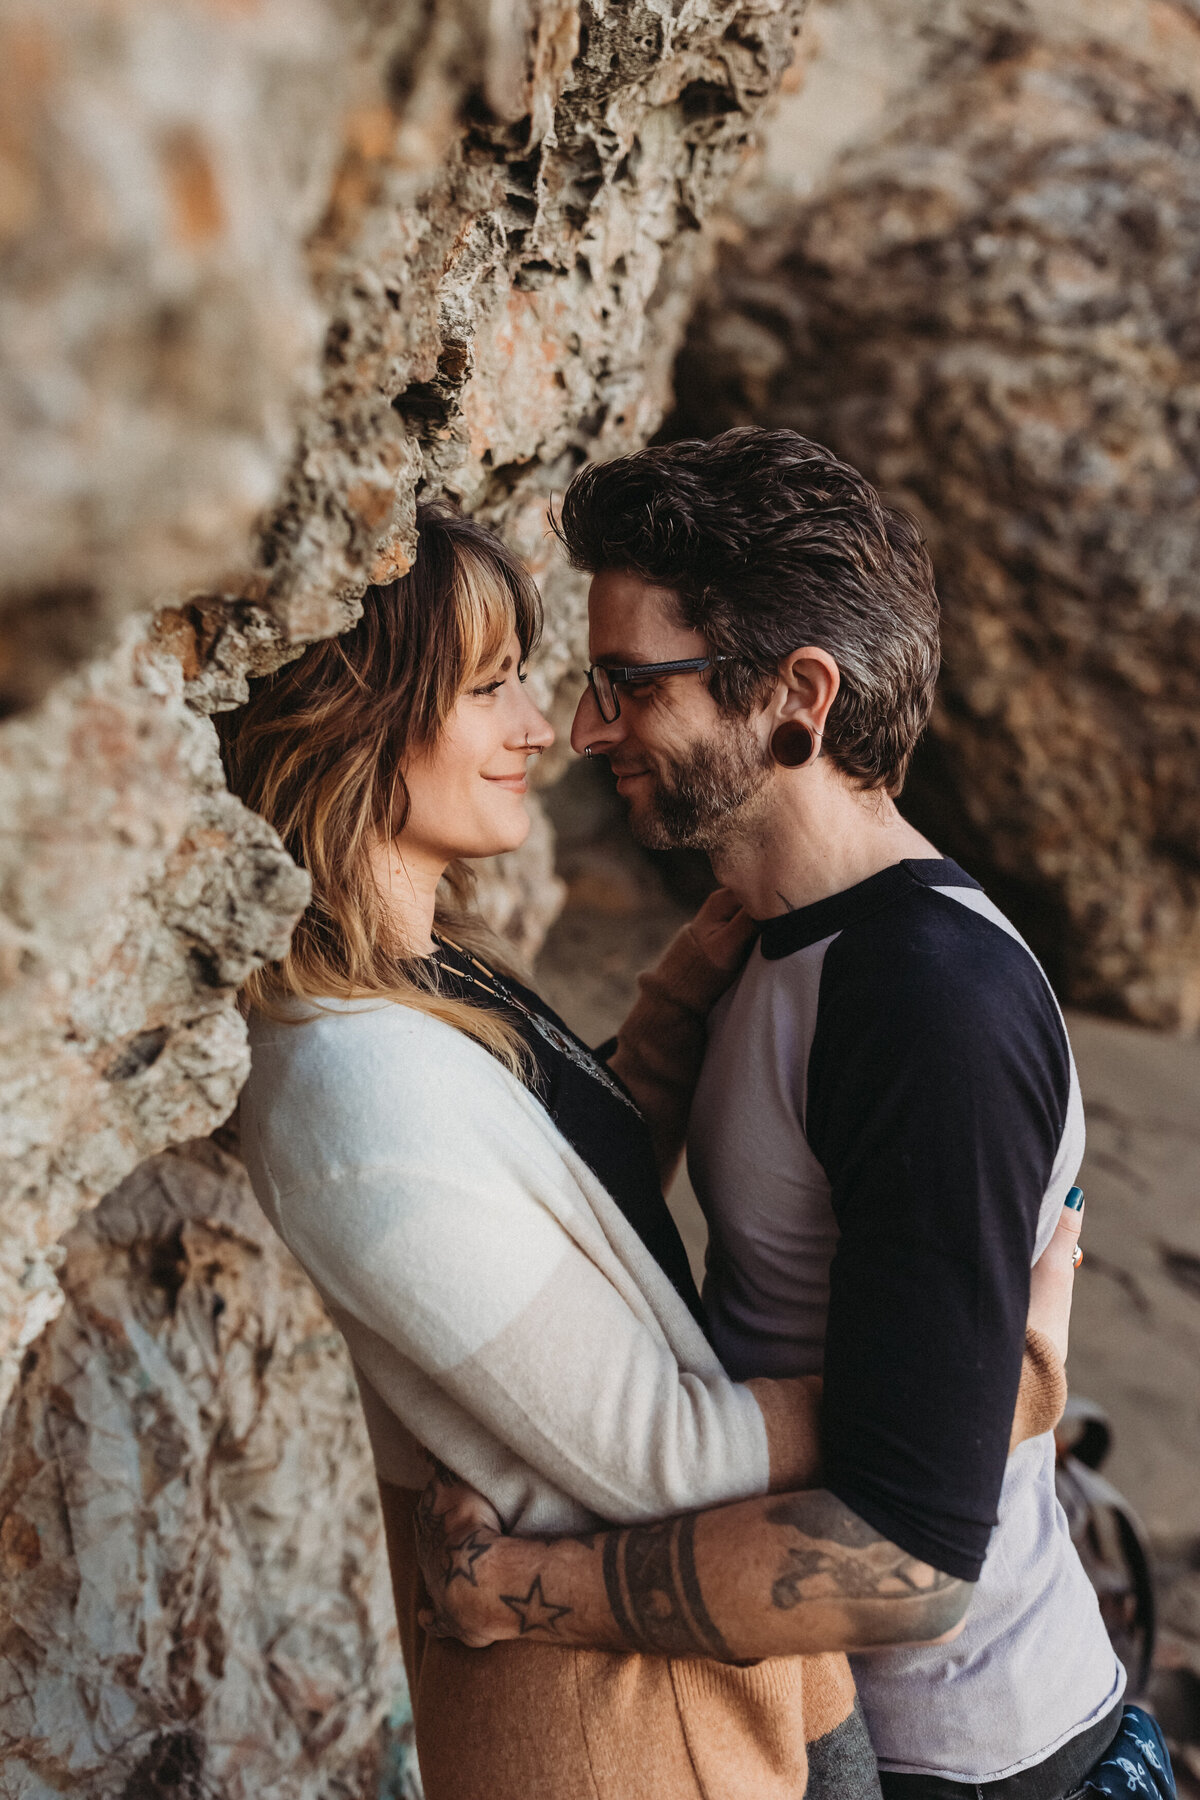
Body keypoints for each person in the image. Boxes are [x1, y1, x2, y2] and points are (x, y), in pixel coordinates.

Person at [221, 501, 1076, 1800]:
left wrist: (678, 1011)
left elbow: (572, 1192)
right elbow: (659, 1452)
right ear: (360, 716)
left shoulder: (427, 982)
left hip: (755, 1693)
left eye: (608, 683)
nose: (553, 730)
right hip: (616, 1729)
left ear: (799, 698)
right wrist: (995, 1379)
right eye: (493, 686)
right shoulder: (345, 1071)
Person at [414, 433, 1164, 1800]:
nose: (588, 730)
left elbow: (904, 1559)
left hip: (972, 1765)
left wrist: (528, 1590)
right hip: (816, 1723)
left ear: (796, 698)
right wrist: (674, 1007)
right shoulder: (774, 942)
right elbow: (604, 1211)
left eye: (632, 685)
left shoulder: (926, 1001)